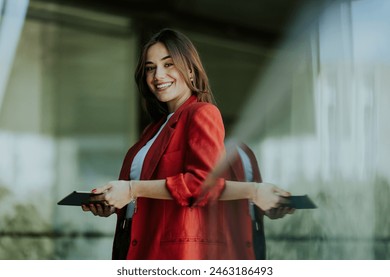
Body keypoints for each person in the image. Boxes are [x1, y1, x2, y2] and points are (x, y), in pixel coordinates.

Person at [81, 28, 291, 260]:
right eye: (150, 68)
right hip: (134, 246)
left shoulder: (202, 113)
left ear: (190, 70)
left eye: (168, 64)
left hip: (175, 254)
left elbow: (203, 184)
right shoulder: (153, 130)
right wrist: (113, 204)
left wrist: (131, 190)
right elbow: (146, 199)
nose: (158, 75)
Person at [225, 142, 294, 259]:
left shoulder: (244, 149)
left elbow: (250, 200)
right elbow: (198, 188)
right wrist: (255, 191)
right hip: (225, 240)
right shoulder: (204, 142)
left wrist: (266, 208)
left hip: (253, 237)